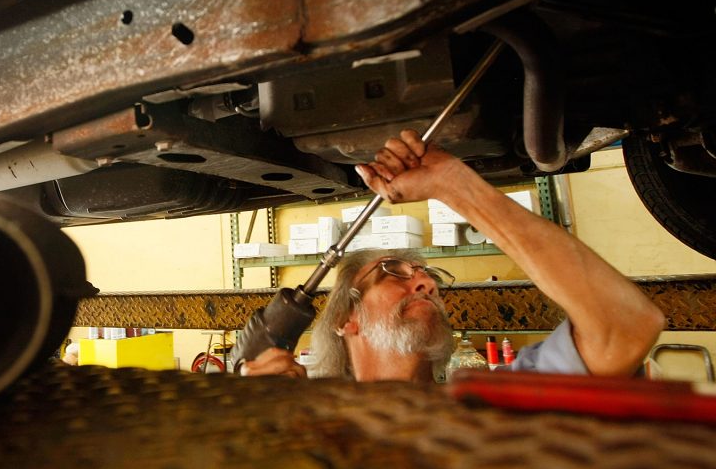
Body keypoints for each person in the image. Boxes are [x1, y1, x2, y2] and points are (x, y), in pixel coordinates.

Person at [241, 130, 666, 381]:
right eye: (392, 272)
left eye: (426, 275)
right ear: (343, 320)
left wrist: (454, 184)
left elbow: (626, 324)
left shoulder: (495, 404)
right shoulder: (312, 426)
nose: (426, 283)